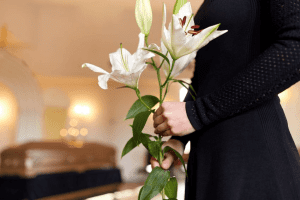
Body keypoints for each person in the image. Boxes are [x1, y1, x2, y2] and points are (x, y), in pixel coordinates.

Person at [151, 0, 300, 199]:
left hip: (252, 157)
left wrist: (198, 113)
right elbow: (204, 78)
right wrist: (179, 140)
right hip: (206, 159)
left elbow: (295, 48)